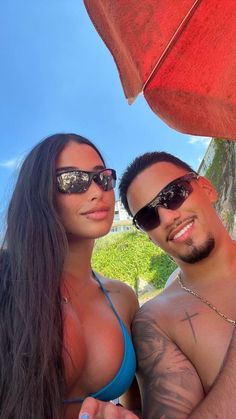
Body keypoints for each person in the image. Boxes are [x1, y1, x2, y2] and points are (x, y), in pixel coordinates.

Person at [0, 133, 140, 419]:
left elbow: (137, 404)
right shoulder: (7, 280)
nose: (95, 191)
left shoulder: (122, 297)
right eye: (72, 180)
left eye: (102, 178)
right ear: (39, 194)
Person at [118, 151, 236, 418]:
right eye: (148, 216)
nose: (167, 218)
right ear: (150, 237)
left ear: (207, 188)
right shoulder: (157, 321)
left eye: (173, 194)